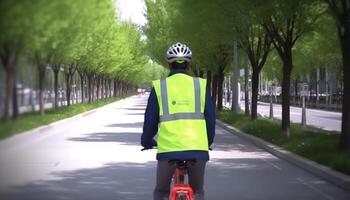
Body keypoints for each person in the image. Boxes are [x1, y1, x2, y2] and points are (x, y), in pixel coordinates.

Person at [141, 42, 216, 200]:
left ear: (169, 64)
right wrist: (207, 142)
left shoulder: (160, 87)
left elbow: (150, 120)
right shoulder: (200, 86)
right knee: (197, 191)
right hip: (198, 149)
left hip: (168, 150)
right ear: (189, 64)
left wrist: (147, 141)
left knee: (161, 191)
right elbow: (210, 119)